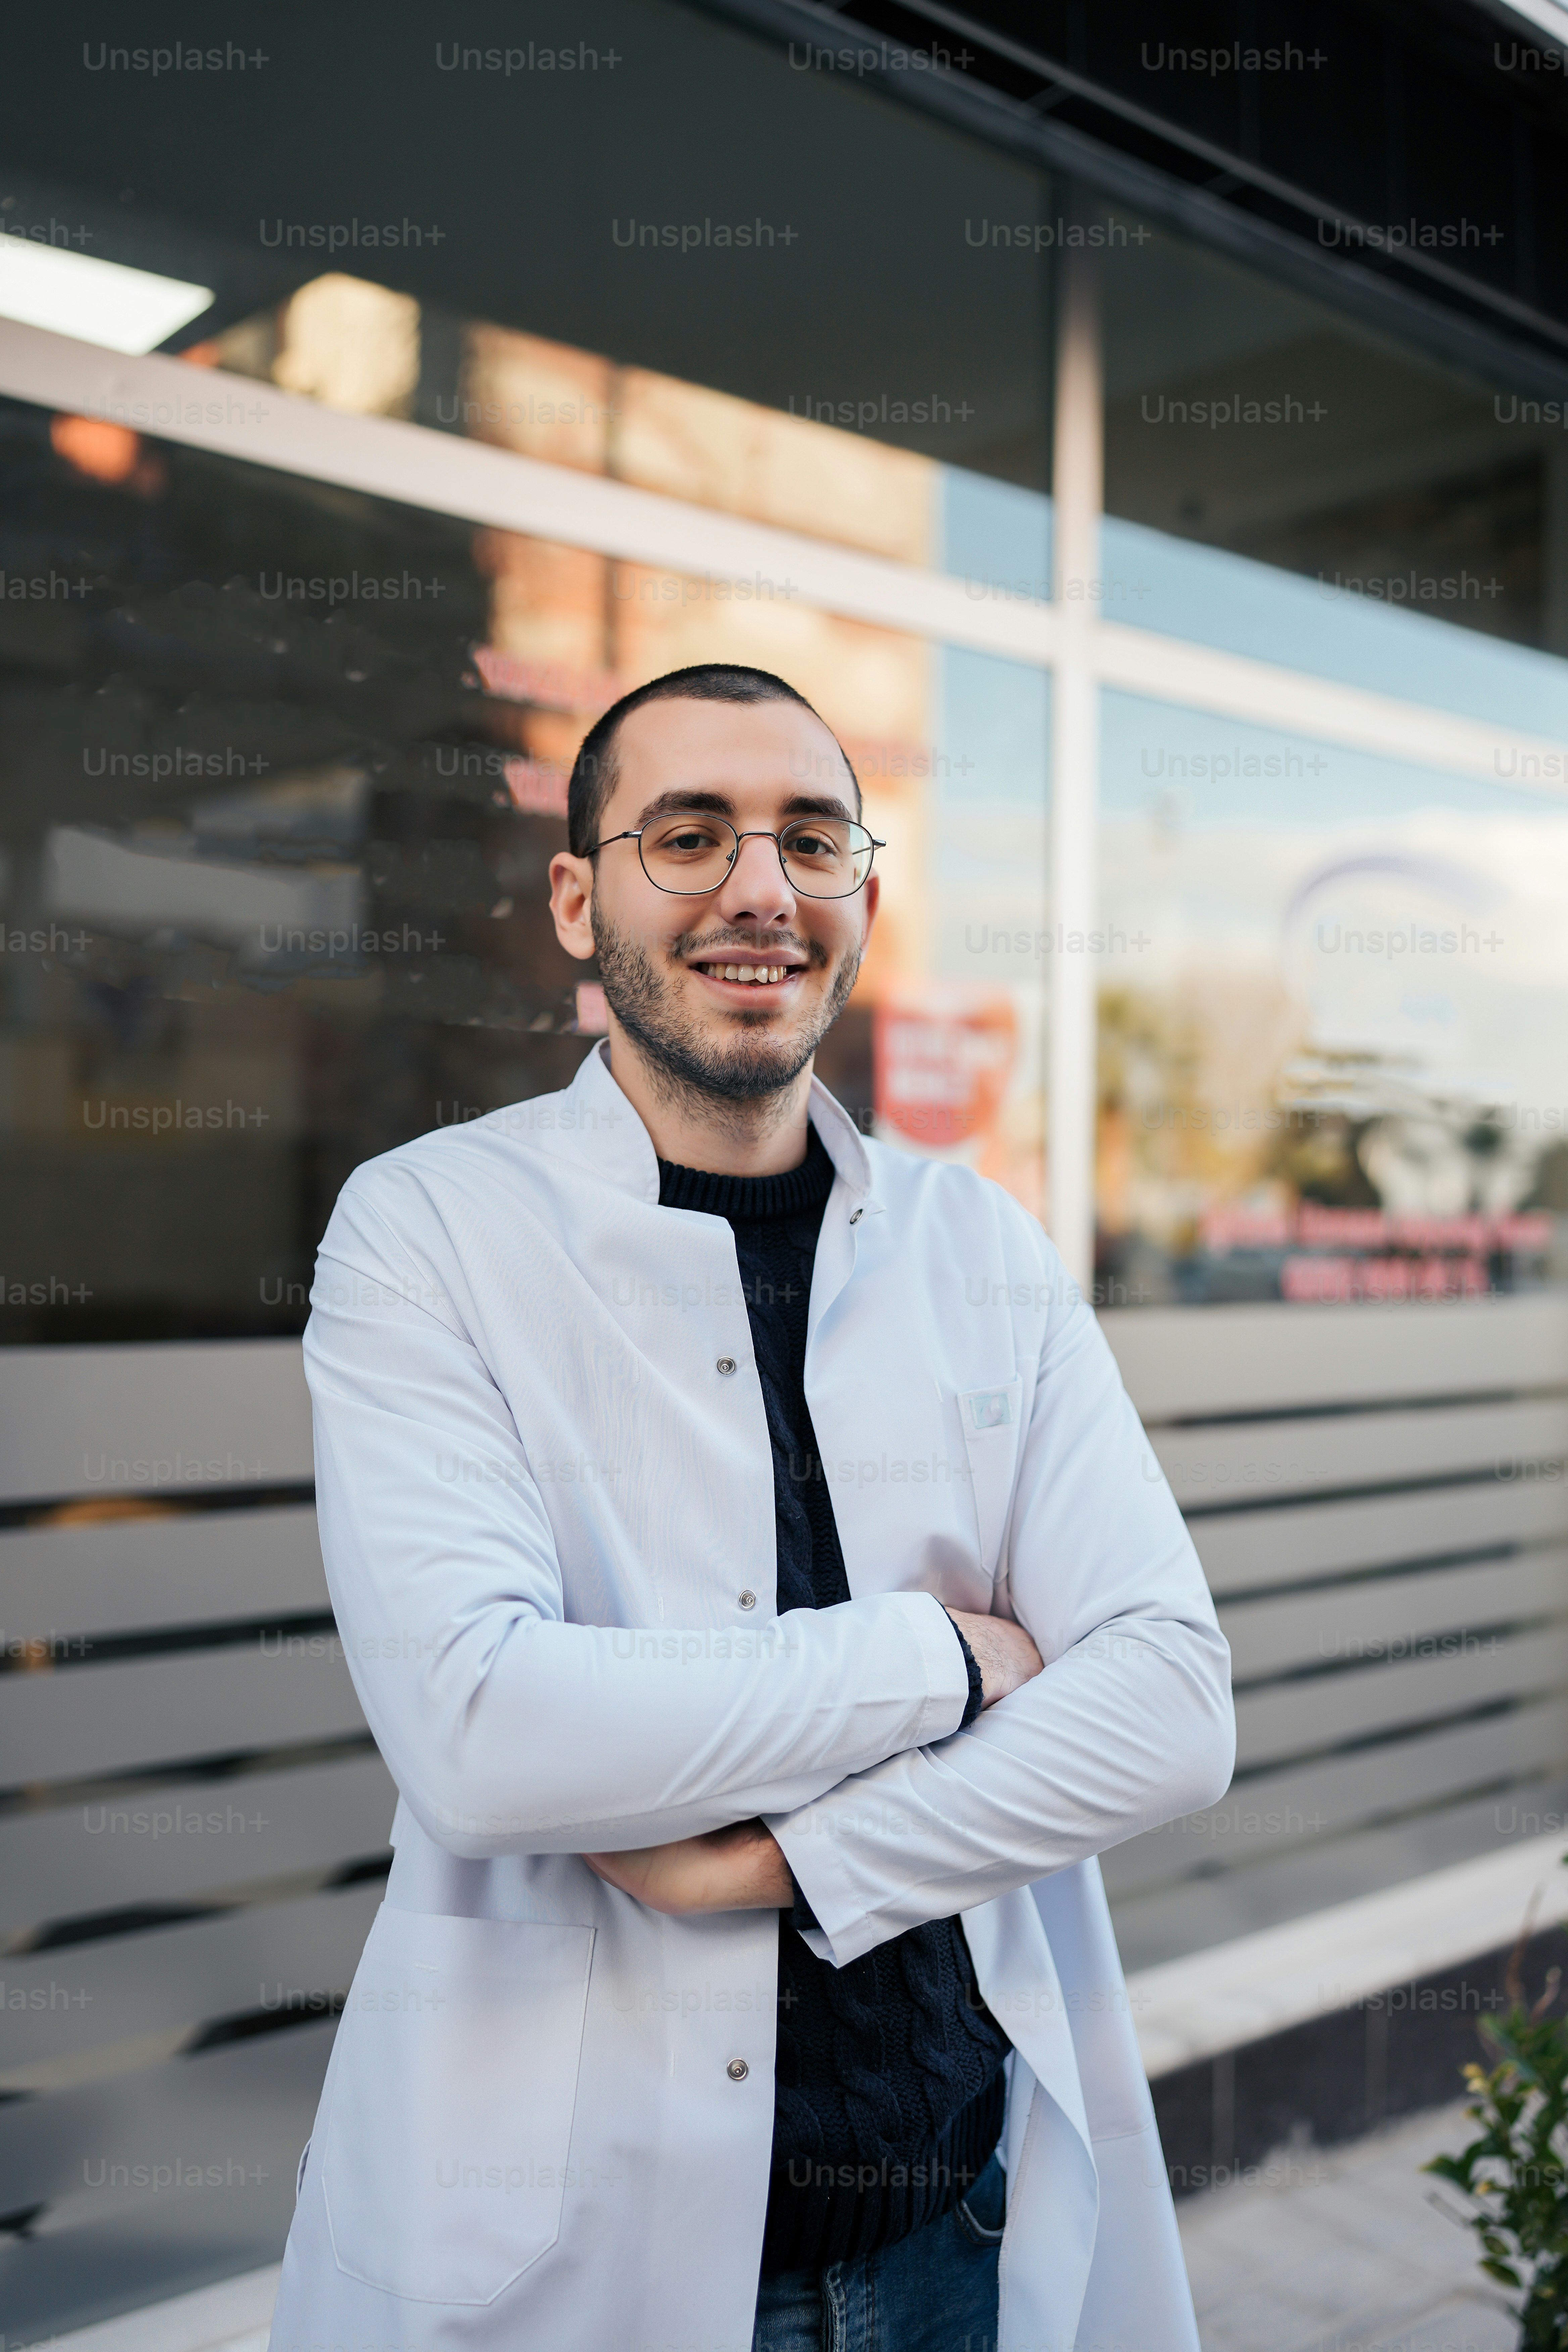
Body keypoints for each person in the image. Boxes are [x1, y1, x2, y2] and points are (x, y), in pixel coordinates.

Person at [267, 663, 1234, 2352]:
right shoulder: (429, 1232)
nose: (759, 893)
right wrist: (941, 1660)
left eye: (810, 839)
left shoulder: (974, 1243)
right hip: (576, 2247)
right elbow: (486, 1731)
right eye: (690, 836)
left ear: (864, 891)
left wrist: (787, 1861)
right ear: (579, 899)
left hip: (958, 2218)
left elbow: (1168, 1707)